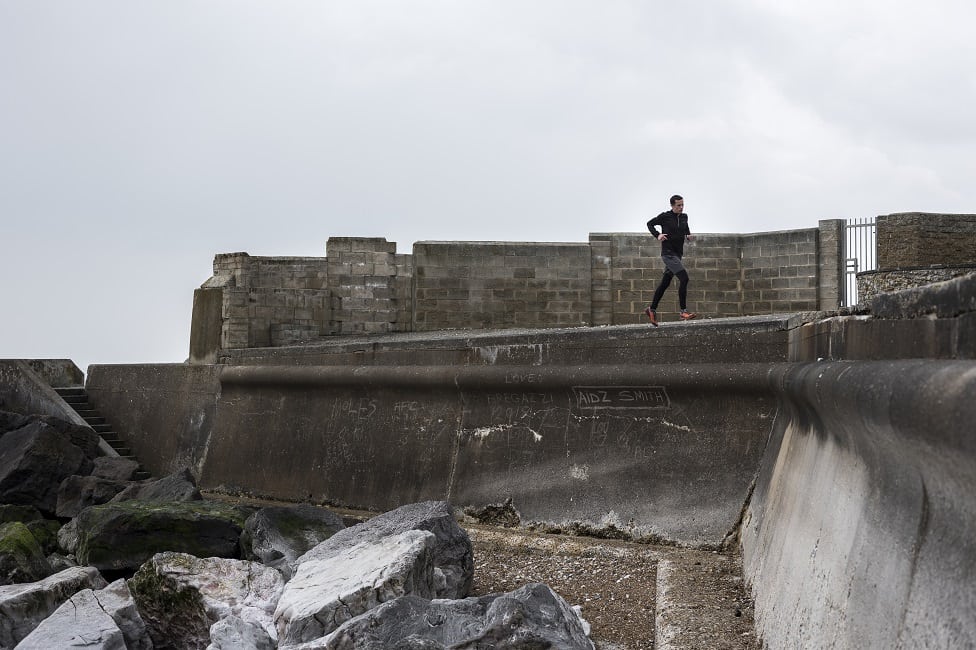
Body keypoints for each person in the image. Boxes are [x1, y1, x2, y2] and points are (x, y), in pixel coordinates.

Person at [643, 194, 697, 326]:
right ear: (672, 205)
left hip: (678, 254)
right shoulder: (665, 216)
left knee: (665, 283)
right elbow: (650, 224)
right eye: (678, 205)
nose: (681, 207)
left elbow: (685, 228)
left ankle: (651, 309)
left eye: (682, 204)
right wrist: (658, 235)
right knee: (684, 278)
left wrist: (688, 236)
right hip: (668, 254)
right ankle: (683, 311)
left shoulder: (684, 217)